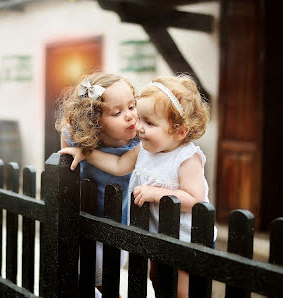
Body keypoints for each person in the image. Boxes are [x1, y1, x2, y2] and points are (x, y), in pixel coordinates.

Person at [59, 74, 217, 298]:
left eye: (148, 122)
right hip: (158, 233)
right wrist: (84, 152)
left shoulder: (187, 158)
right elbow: (118, 164)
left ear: (180, 131)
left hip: (188, 237)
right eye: (141, 118)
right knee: (158, 280)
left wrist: (156, 193)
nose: (138, 125)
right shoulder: (144, 149)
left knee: (182, 290)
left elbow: (196, 201)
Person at [55, 71, 139, 293]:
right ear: (94, 121)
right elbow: (67, 152)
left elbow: (122, 165)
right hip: (83, 220)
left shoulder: (139, 142)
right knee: (84, 276)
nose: (130, 116)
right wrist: (79, 147)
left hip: (118, 224)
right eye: (117, 112)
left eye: (132, 107)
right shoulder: (76, 136)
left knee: (104, 274)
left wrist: (86, 152)